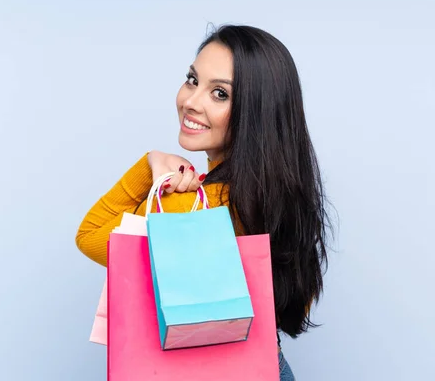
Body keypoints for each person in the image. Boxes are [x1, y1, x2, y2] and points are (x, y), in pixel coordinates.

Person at [76, 24, 330, 381]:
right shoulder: (285, 196)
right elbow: (294, 301)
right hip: (270, 369)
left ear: (254, 111)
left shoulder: (191, 206)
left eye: (220, 94)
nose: (191, 101)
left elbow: (89, 235)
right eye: (192, 80)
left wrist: (150, 167)